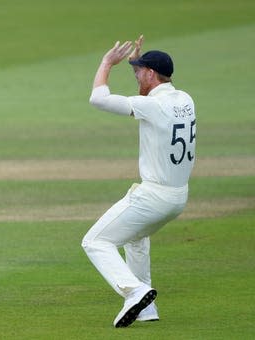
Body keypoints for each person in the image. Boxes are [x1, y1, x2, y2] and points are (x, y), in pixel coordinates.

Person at [81, 35, 196, 328]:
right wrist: (142, 69)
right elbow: (149, 102)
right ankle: (146, 308)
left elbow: (99, 99)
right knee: (135, 237)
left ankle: (134, 291)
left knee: (95, 242)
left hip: (153, 197)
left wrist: (107, 63)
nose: (134, 75)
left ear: (151, 74)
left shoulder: (153, 107)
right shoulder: (184, 99)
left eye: (138, 72)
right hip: (178, 197)